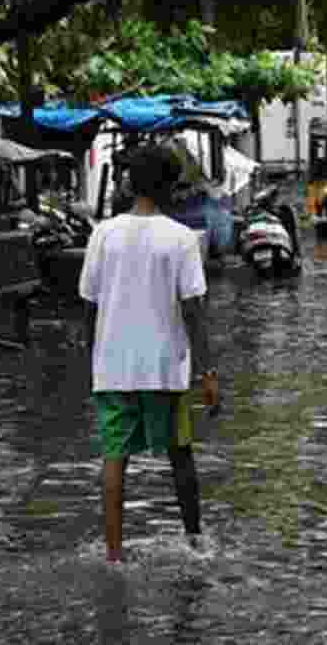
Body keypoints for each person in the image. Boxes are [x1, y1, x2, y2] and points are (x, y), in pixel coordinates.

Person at [79, 144, 218, 565]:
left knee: (114, 457)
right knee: (180, 455)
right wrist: (207, 373)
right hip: (164, 366)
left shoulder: (102, 233)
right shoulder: (181, 238)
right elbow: (193, 311)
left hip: (113, 367)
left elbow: (89, 304)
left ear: (129, 183)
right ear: (171, 188)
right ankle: (194, 541)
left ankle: (115, 554)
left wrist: (94, 357)